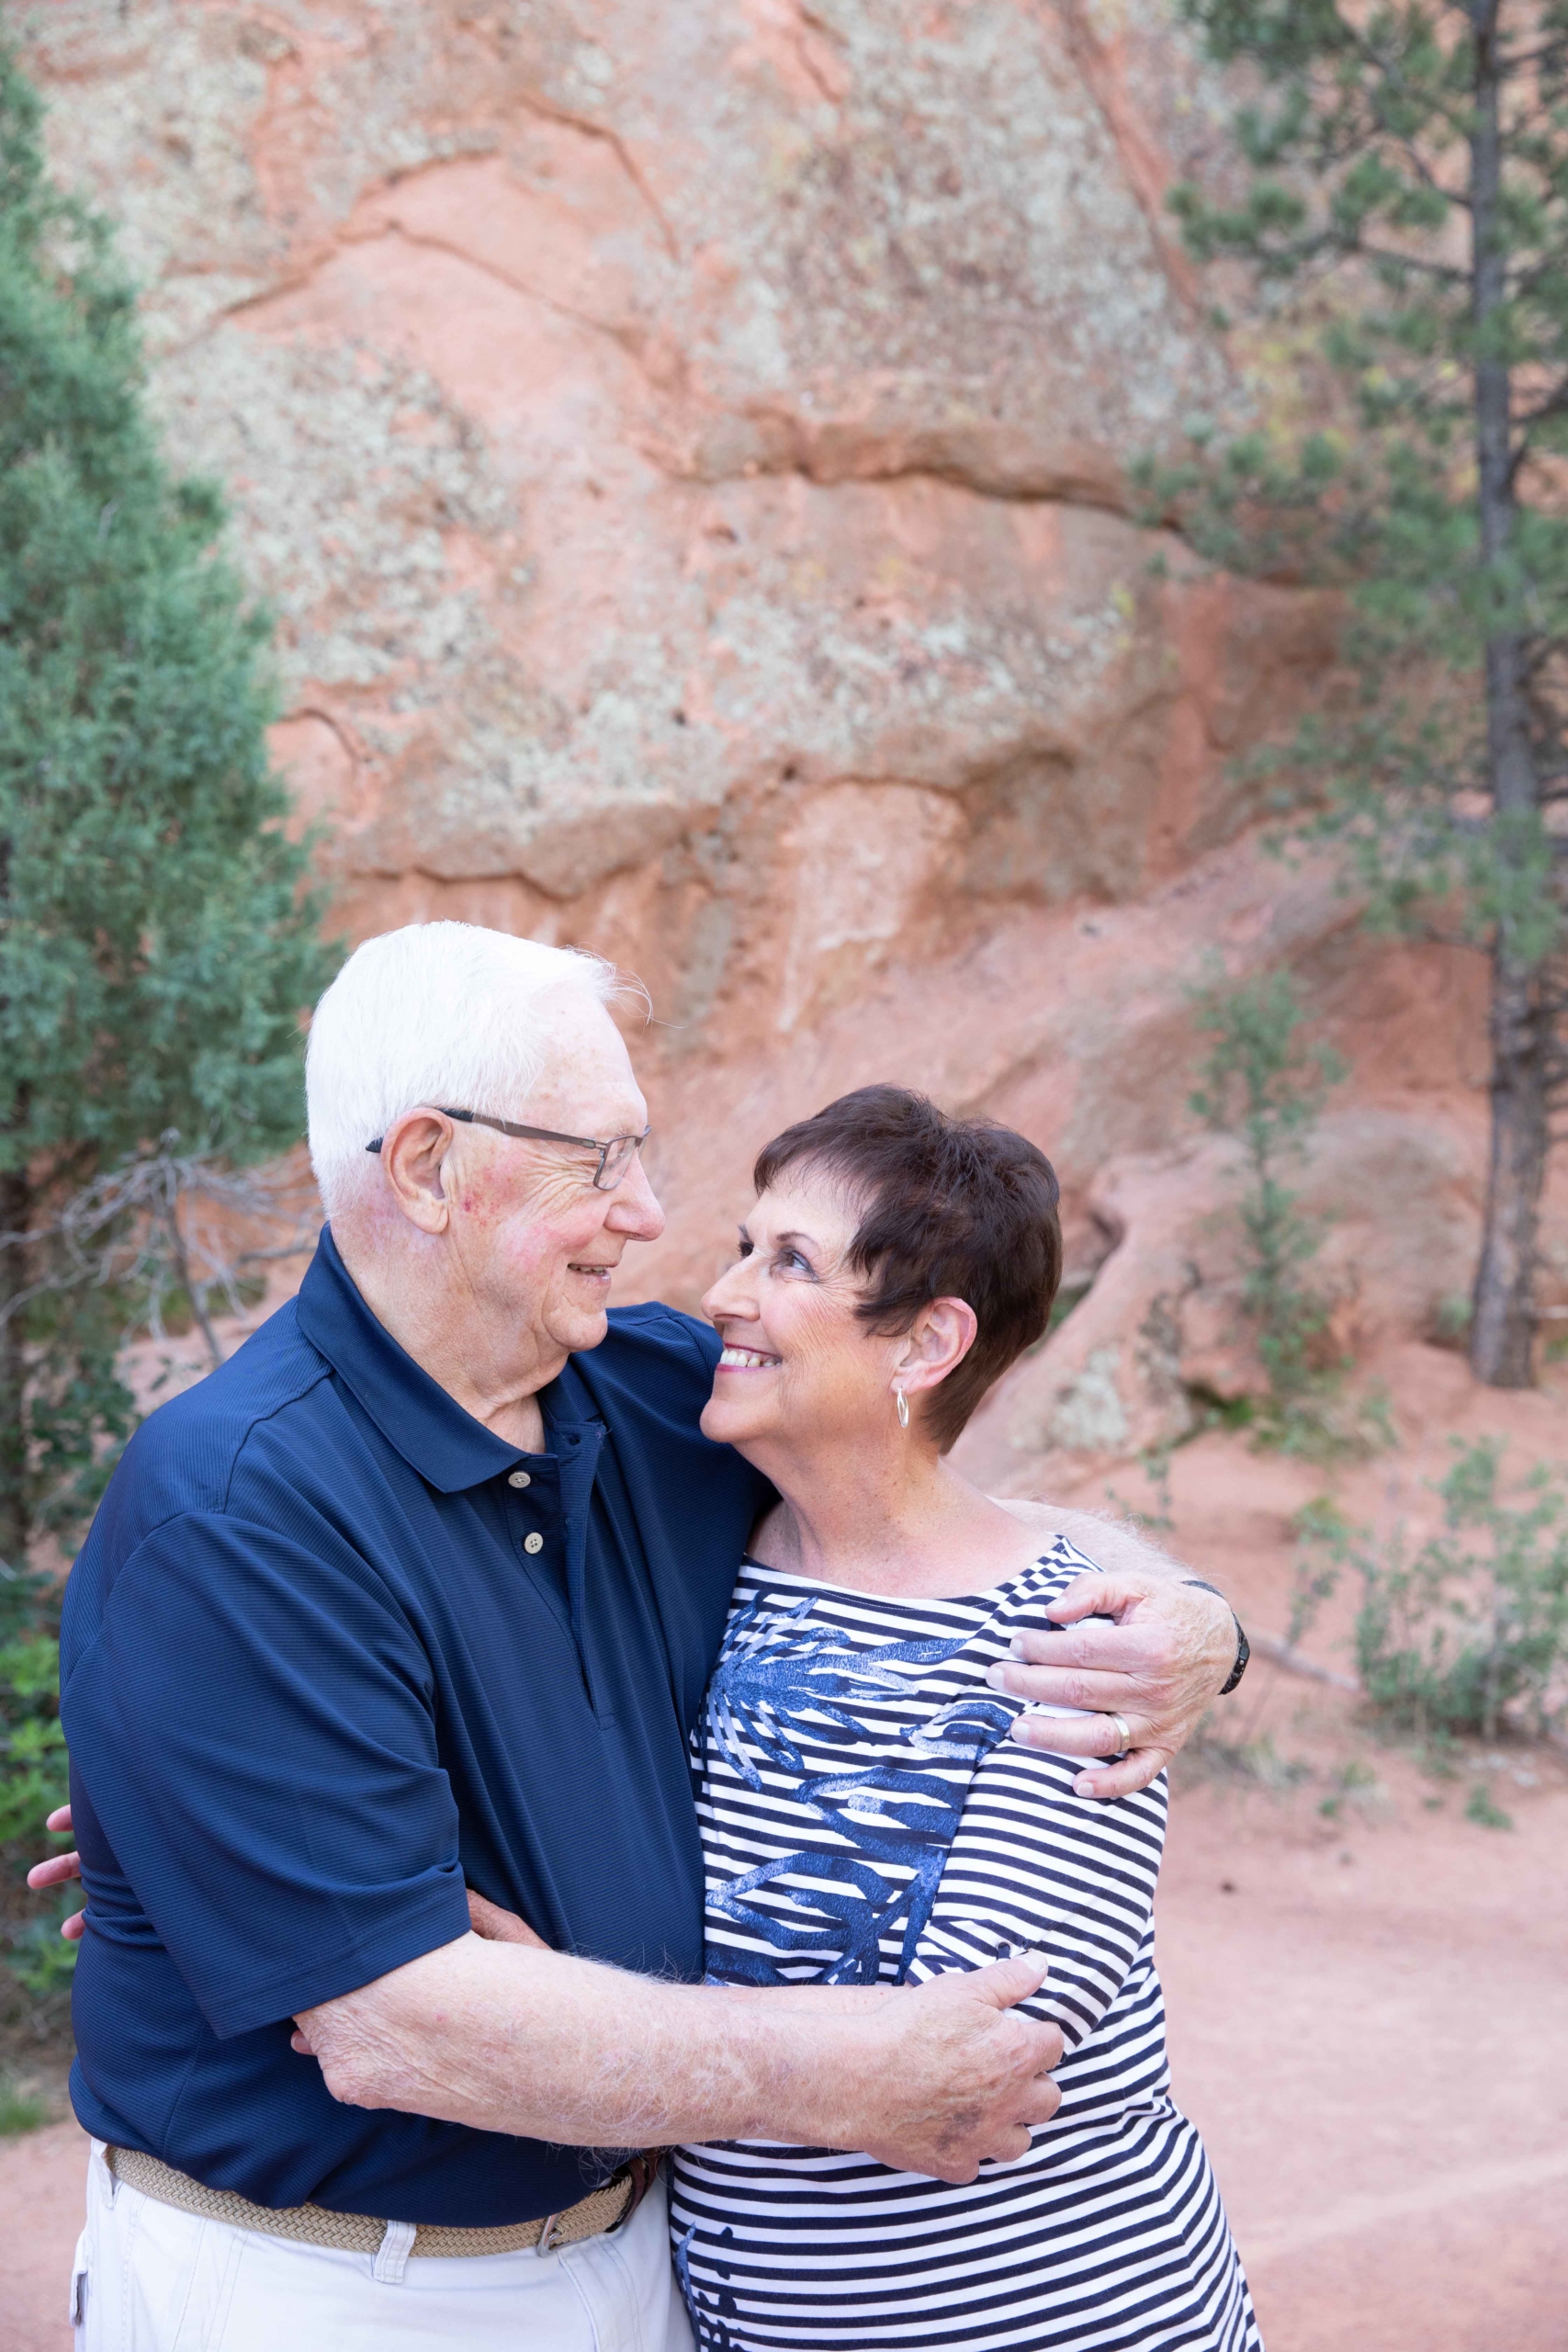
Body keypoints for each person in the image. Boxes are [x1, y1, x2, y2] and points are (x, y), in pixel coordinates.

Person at [38, 923, 1245, 2352]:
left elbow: (932, 1508)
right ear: (428, 1167)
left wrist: (1192, 1622)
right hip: (340, 2289)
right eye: (598, 1160)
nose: (650, 1213)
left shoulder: (654, 1390)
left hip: (658, 2272)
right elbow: (391, 2027)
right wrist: (835, 2072)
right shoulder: (238, 1507)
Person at [464, 1086, 1259, 2351]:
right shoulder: (709, 1565)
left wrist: (546, 2005)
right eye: (744, 1246)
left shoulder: (1074, 1642)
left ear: (923, 1345)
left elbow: (959, 2061)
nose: (723, 1293)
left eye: (790, 1263)